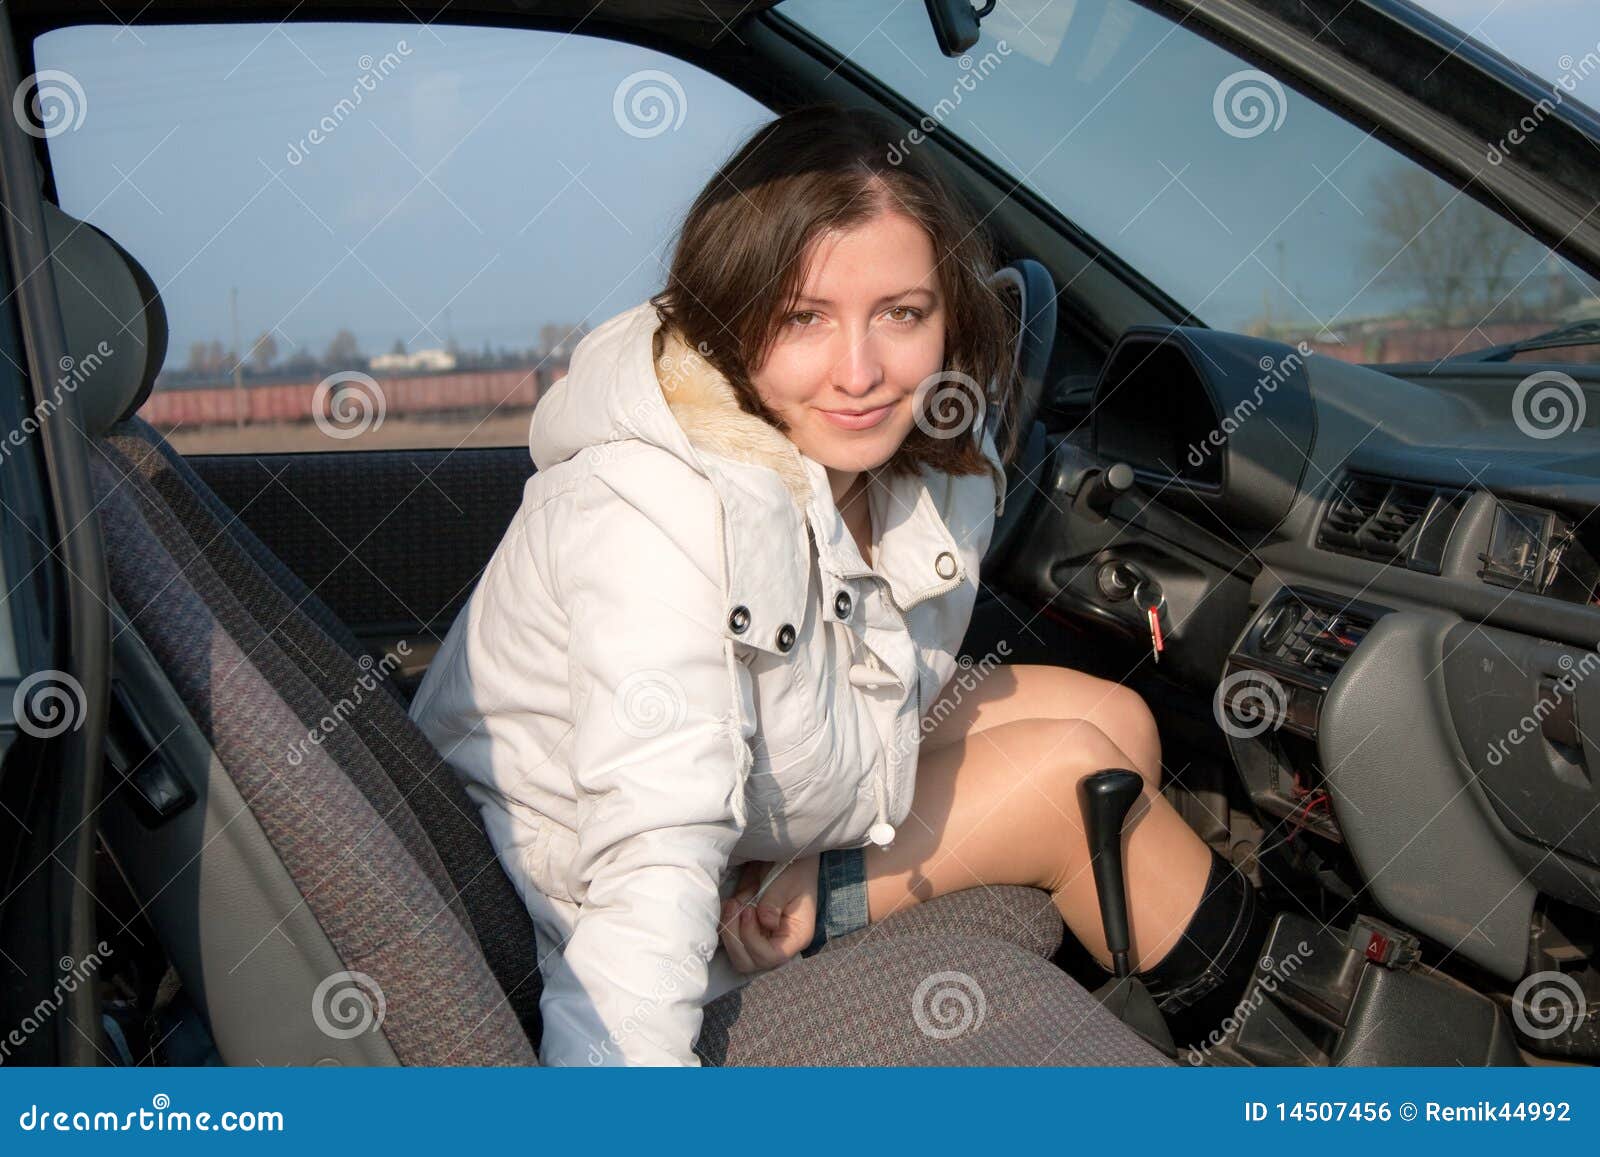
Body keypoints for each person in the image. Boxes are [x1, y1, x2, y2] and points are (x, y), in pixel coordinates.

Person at [407, 103, 1270, 1066]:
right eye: (802, 318)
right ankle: (1300, 1053)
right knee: (1072, 780)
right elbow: (645, 859)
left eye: (902, 314)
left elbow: (854, 668)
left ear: (952, 315)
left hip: (769, 796)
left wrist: (821, 868)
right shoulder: (651, 512)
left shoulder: (913, 453)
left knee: (1120, 725)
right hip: (596, 890)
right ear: (727, 317)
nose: (860, 373)